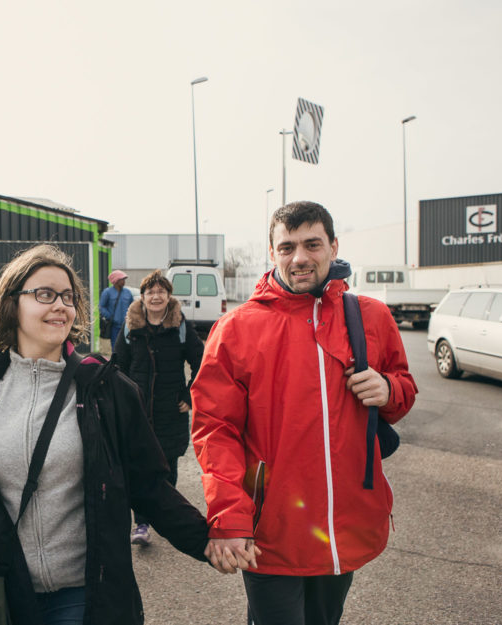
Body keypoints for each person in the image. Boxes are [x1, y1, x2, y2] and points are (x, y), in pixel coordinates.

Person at [0, 244, 216, 625]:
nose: (61, 306)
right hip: (7, 593)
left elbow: (149, 485)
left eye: (68, 297)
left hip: (85, 595)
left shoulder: (106, 388)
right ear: (11, 303)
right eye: (45, 294)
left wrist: (208, 540)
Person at [191, 202, 418, 625]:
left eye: (312, 244)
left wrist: (388, 389)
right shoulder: (237, 327)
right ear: (273, 254)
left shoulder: (371, 316)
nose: (299, 258)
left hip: (343, 525)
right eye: (287, 247)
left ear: (333, 247)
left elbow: (403, 393)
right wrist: (229, 517)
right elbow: (214, 431)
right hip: (271, 529)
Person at [114, 269, 205, 547]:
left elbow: (201, 360)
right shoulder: (132, 326)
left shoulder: (180, 326)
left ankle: (163, 515)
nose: (156, 296)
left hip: (170, 409)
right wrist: (123, 400)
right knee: (138, 464)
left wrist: (189, 395)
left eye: (161, 292)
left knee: (167, 464)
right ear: (142, 297)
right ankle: (141, 523)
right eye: (150, 292)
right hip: (138, 410)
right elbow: (118, 365)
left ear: (168, 296)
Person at [99, 269, 134, 350]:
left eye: (124, 279)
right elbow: (101, 307)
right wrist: (109, 316)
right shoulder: (107, 292)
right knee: (116, 347)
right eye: (122, 279)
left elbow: (133, 306)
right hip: (114, 326)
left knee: (128, 346)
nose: (124, 281)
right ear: (116, 280)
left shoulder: (128, 292)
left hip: (127, 325)